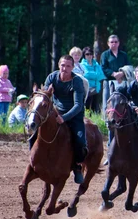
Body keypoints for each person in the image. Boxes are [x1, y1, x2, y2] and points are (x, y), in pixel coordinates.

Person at [41, 55, 87, 184]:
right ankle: (34, 157)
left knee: (80, 141)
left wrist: (64, 118)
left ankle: (77, 167)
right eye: (62, 65)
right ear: (58, 65)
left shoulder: (76, 81)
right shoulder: (52, 77)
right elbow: (44, 96)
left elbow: (78, 105)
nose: (64, 68)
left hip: (74, 115)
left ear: (72, 68)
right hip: (56, 111)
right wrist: (48, 92)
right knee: (35, 131)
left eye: (68, 66)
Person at [100, 35, 130, 114]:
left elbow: (129, 67)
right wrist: (114, 74)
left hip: (122, 82)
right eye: (112, 42)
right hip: (109, 81)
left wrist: (122, 73)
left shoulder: (123, 55)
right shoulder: (105, 55)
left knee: (122, 102)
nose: (114, 43)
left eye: (116, 42)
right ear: (108, 43)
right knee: (108, 101)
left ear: (119, 43)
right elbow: (103, 68)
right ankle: (106, 121)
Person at [81, 46, 105, 113]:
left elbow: (101, 76)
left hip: (96, 88)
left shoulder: (96, 64)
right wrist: (95, 75)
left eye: (91, 54)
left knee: (96, 108)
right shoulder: (82, 65)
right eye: (87, 54)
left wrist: (91, 75)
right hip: (87, 88)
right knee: (87, 107)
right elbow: (86, 74)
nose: (89, 56)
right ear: (84, 55)